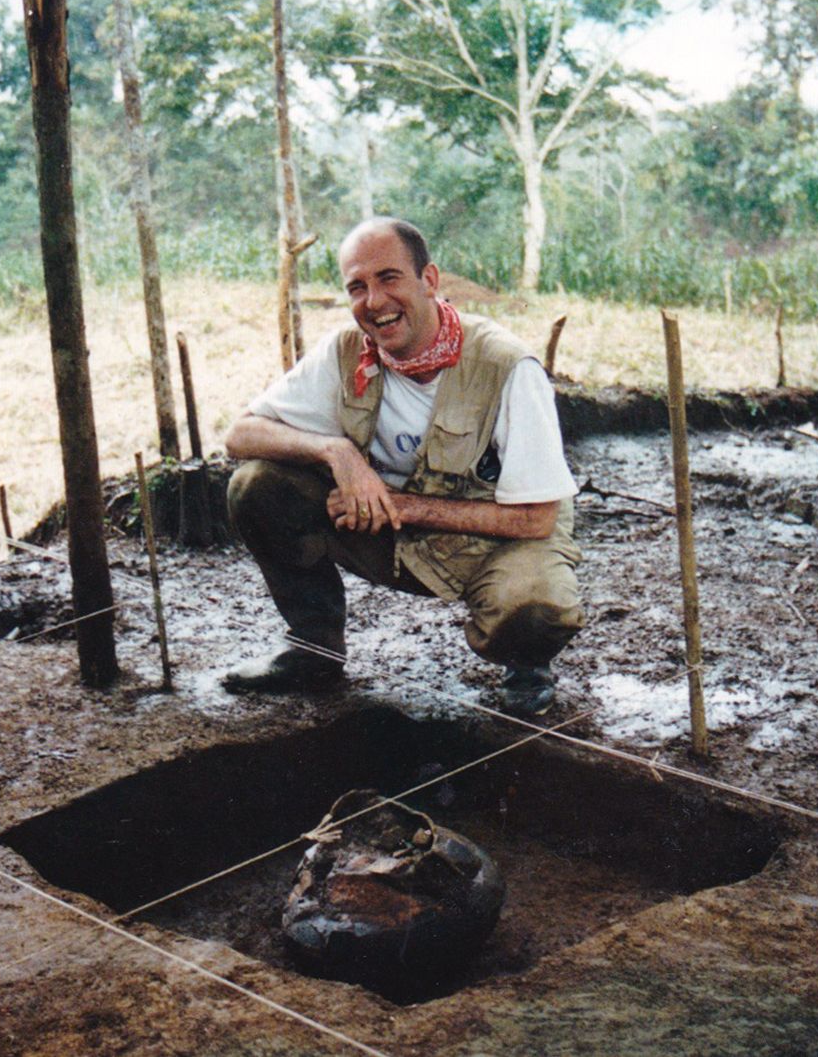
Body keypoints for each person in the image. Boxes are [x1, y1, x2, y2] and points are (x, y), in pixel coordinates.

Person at [221, 216, 584, 716]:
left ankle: (525, 664)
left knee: (536, 607)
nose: (374, 302)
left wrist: (402, 505)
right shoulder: (346, 353)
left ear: (429, 280)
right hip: (385, 534)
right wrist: (337, 453)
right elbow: (240, 434)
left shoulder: (506, 366)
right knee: (257, 486)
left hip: (492, 544)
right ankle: (314, 649)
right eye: (357, 287)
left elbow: (536, 518)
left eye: (389, 278)